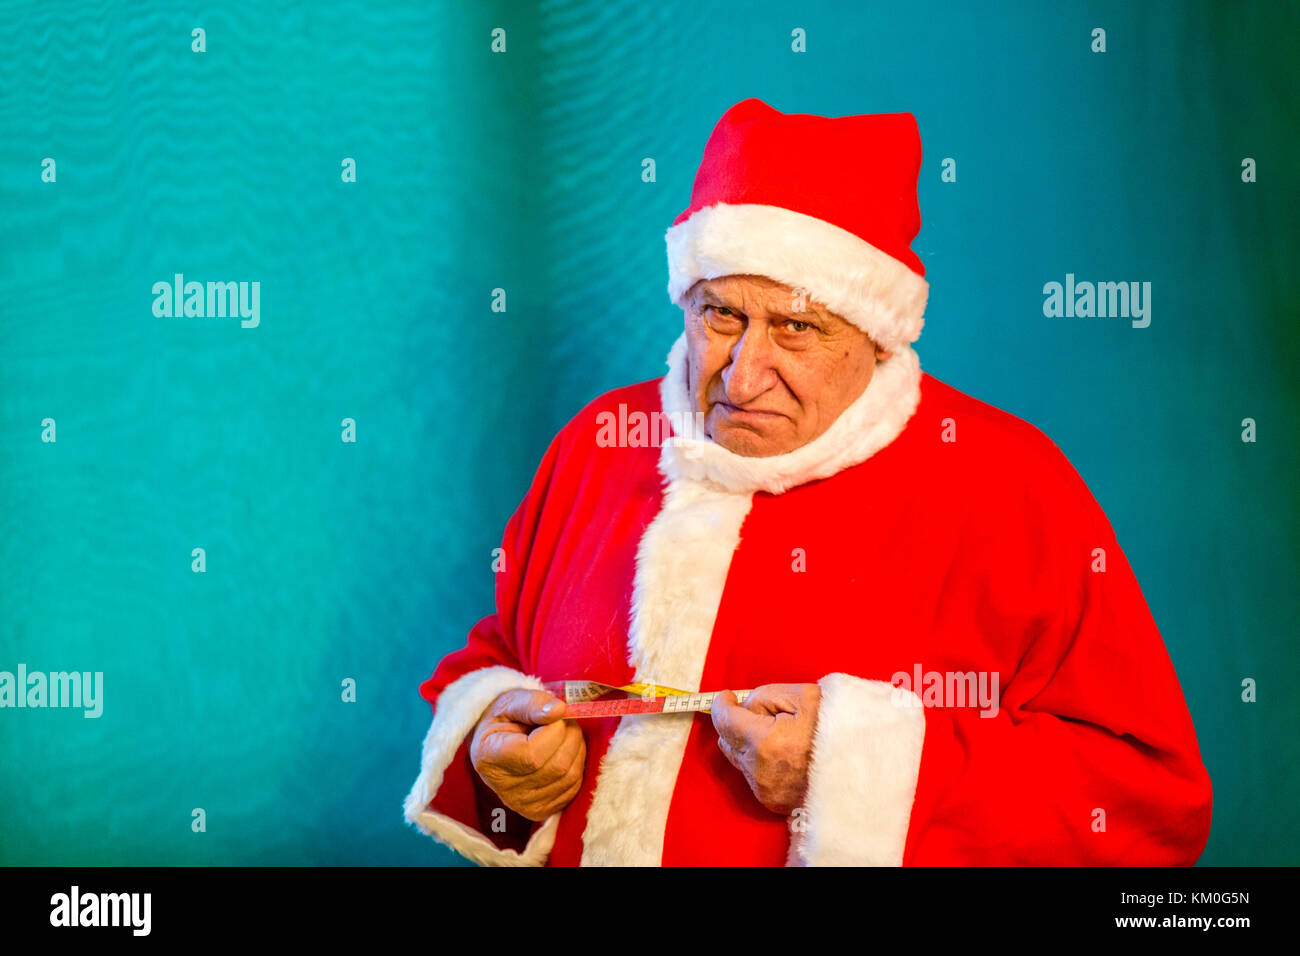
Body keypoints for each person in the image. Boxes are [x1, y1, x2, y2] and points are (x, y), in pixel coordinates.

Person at [402, 97, 1213, 866]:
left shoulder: (1010, 485)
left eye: (795, 326)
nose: (744, 374)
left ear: (877, 334)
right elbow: (507, 650)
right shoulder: (599, 445)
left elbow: (1146, 798)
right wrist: (491, 749)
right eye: (722, 314)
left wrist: (854, 769)